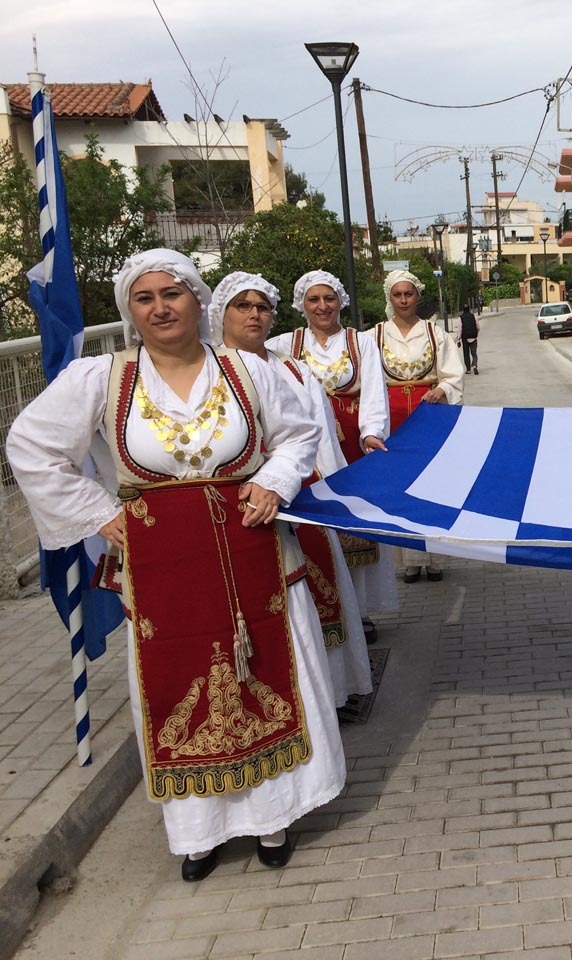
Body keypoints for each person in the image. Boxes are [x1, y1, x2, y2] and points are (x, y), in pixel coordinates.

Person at [6, 250, 345, 881]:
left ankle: (274, 817)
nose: (160, 308)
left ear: (197, 299)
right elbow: (30, 444)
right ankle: (199, 832)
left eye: (173, 293)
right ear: (130, 310)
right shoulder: (100, 378)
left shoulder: (247, 369)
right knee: (176, 683)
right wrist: (97, 515)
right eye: (145, 298)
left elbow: (299, 434)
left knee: (265, 667)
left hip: (254, 550)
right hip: (161, 563)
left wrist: (273, 481)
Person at [209, 272, 373, 712]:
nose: (254, 314)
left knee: (322, 593)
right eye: (243, 305)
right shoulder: (210, 371)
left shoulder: (294, 369)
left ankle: (334, 692)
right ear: (221, 313)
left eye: (262, 306)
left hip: (305, 493)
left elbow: (322, 440)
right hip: (241, 504)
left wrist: (336, 496)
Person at [266, 272, 397, 637]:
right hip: (305, 445)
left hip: (351, 443)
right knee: (314, 527)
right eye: (314, 299)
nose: (322, 306)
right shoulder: (283, 344)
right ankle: (319, 607)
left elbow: (374, 392)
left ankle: (361, 610)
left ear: (340, 300)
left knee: (355, 524)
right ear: (301, 304)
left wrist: (372, 433)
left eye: (329, 298)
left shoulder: (361, 342)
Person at [372, 269, 464, 583]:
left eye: (408, 294)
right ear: (390, 297)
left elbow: (454, 374)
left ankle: (435, 558)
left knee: (433, 484)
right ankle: (409, 560)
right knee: (400, 486)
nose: (403, 300)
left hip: (430, 415)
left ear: (417, 296)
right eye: (397, 295)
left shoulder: (435, 333)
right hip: (393, 419)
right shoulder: (375, 335)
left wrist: (443, 389)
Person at [459, 302, 479, 374]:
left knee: (466, 354)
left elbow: (460, 329)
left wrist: (459, 338)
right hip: (473, 337)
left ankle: (468, 369)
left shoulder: (460, 318)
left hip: (465, 338)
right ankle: (475, 365)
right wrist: (476, 333)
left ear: (463, 309)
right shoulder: (474, 316)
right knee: (474, 353)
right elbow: (478, 327)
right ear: (469, 309)